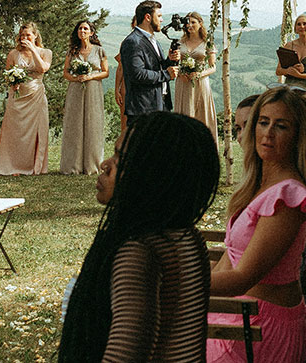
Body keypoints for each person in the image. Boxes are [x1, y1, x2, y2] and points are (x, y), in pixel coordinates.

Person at [58, 112, 219, 361]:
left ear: (151, 173)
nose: (105, 165)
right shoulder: (187, 237)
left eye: (120, 158)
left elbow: (127, 354)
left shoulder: (140, 250)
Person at [208, 87, 306, 363]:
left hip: (263, 327)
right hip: (240, 313)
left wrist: (175, 283)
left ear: (299, 136)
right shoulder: (258, 185)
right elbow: (230, 258)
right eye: (263, 122)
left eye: (281, 126)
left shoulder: (287, 197)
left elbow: (243, 277)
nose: (268, 133)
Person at [0, 23, 52, 175]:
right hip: (18, 96)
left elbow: (42, 69)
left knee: (35, 130)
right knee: (15, 131)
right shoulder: (13, 53)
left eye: (28, 35)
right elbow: (7, 74)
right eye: (22, 35)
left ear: (35, 36)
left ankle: (34, 166)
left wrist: (33, 49)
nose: (24, 38)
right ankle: (12, 165)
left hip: (36, 95)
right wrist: (13, 83)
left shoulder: (45, 52)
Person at [119, 0, 180, 126]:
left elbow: (155, 67)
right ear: (147, 17)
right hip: (144, 109)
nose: (162, 20)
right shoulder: (133, 42)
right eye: (159, 16)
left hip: (159, 105)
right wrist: (166, 75)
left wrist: (169, 61)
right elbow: (137, 74)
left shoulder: (153, 40)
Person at [61, 20, 110, 175]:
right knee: (74, 123)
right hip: (75, 89)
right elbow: (66, 73)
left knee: (92, 123)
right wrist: (76, 79)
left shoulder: (99, 50)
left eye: (85, 28)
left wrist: (90, 77)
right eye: (80, 28)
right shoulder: (72, 52)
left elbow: (105, 72)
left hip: (93, 89)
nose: (82, 31)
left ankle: (92, 164)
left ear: (91, 32)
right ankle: (73, 165)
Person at [174, 11, 218, 141]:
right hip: (183, 83)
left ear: (200, 23)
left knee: (202, 114)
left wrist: (200, 74)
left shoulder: (207, 42)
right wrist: (181, 73)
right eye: (188, 23)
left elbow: (213, 67)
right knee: (185, 115)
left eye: (193, 22)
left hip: (201, 83)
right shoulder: (180, 42)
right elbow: (174, 62)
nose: (190, 25)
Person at [276, 14, 306, 99]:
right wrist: (288, 71)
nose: (302, 26)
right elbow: (278, 71)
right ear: (295, 28)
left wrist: (299, 75)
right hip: (290, 91)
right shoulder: (288, 46)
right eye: (299, 24)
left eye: (305, 24)